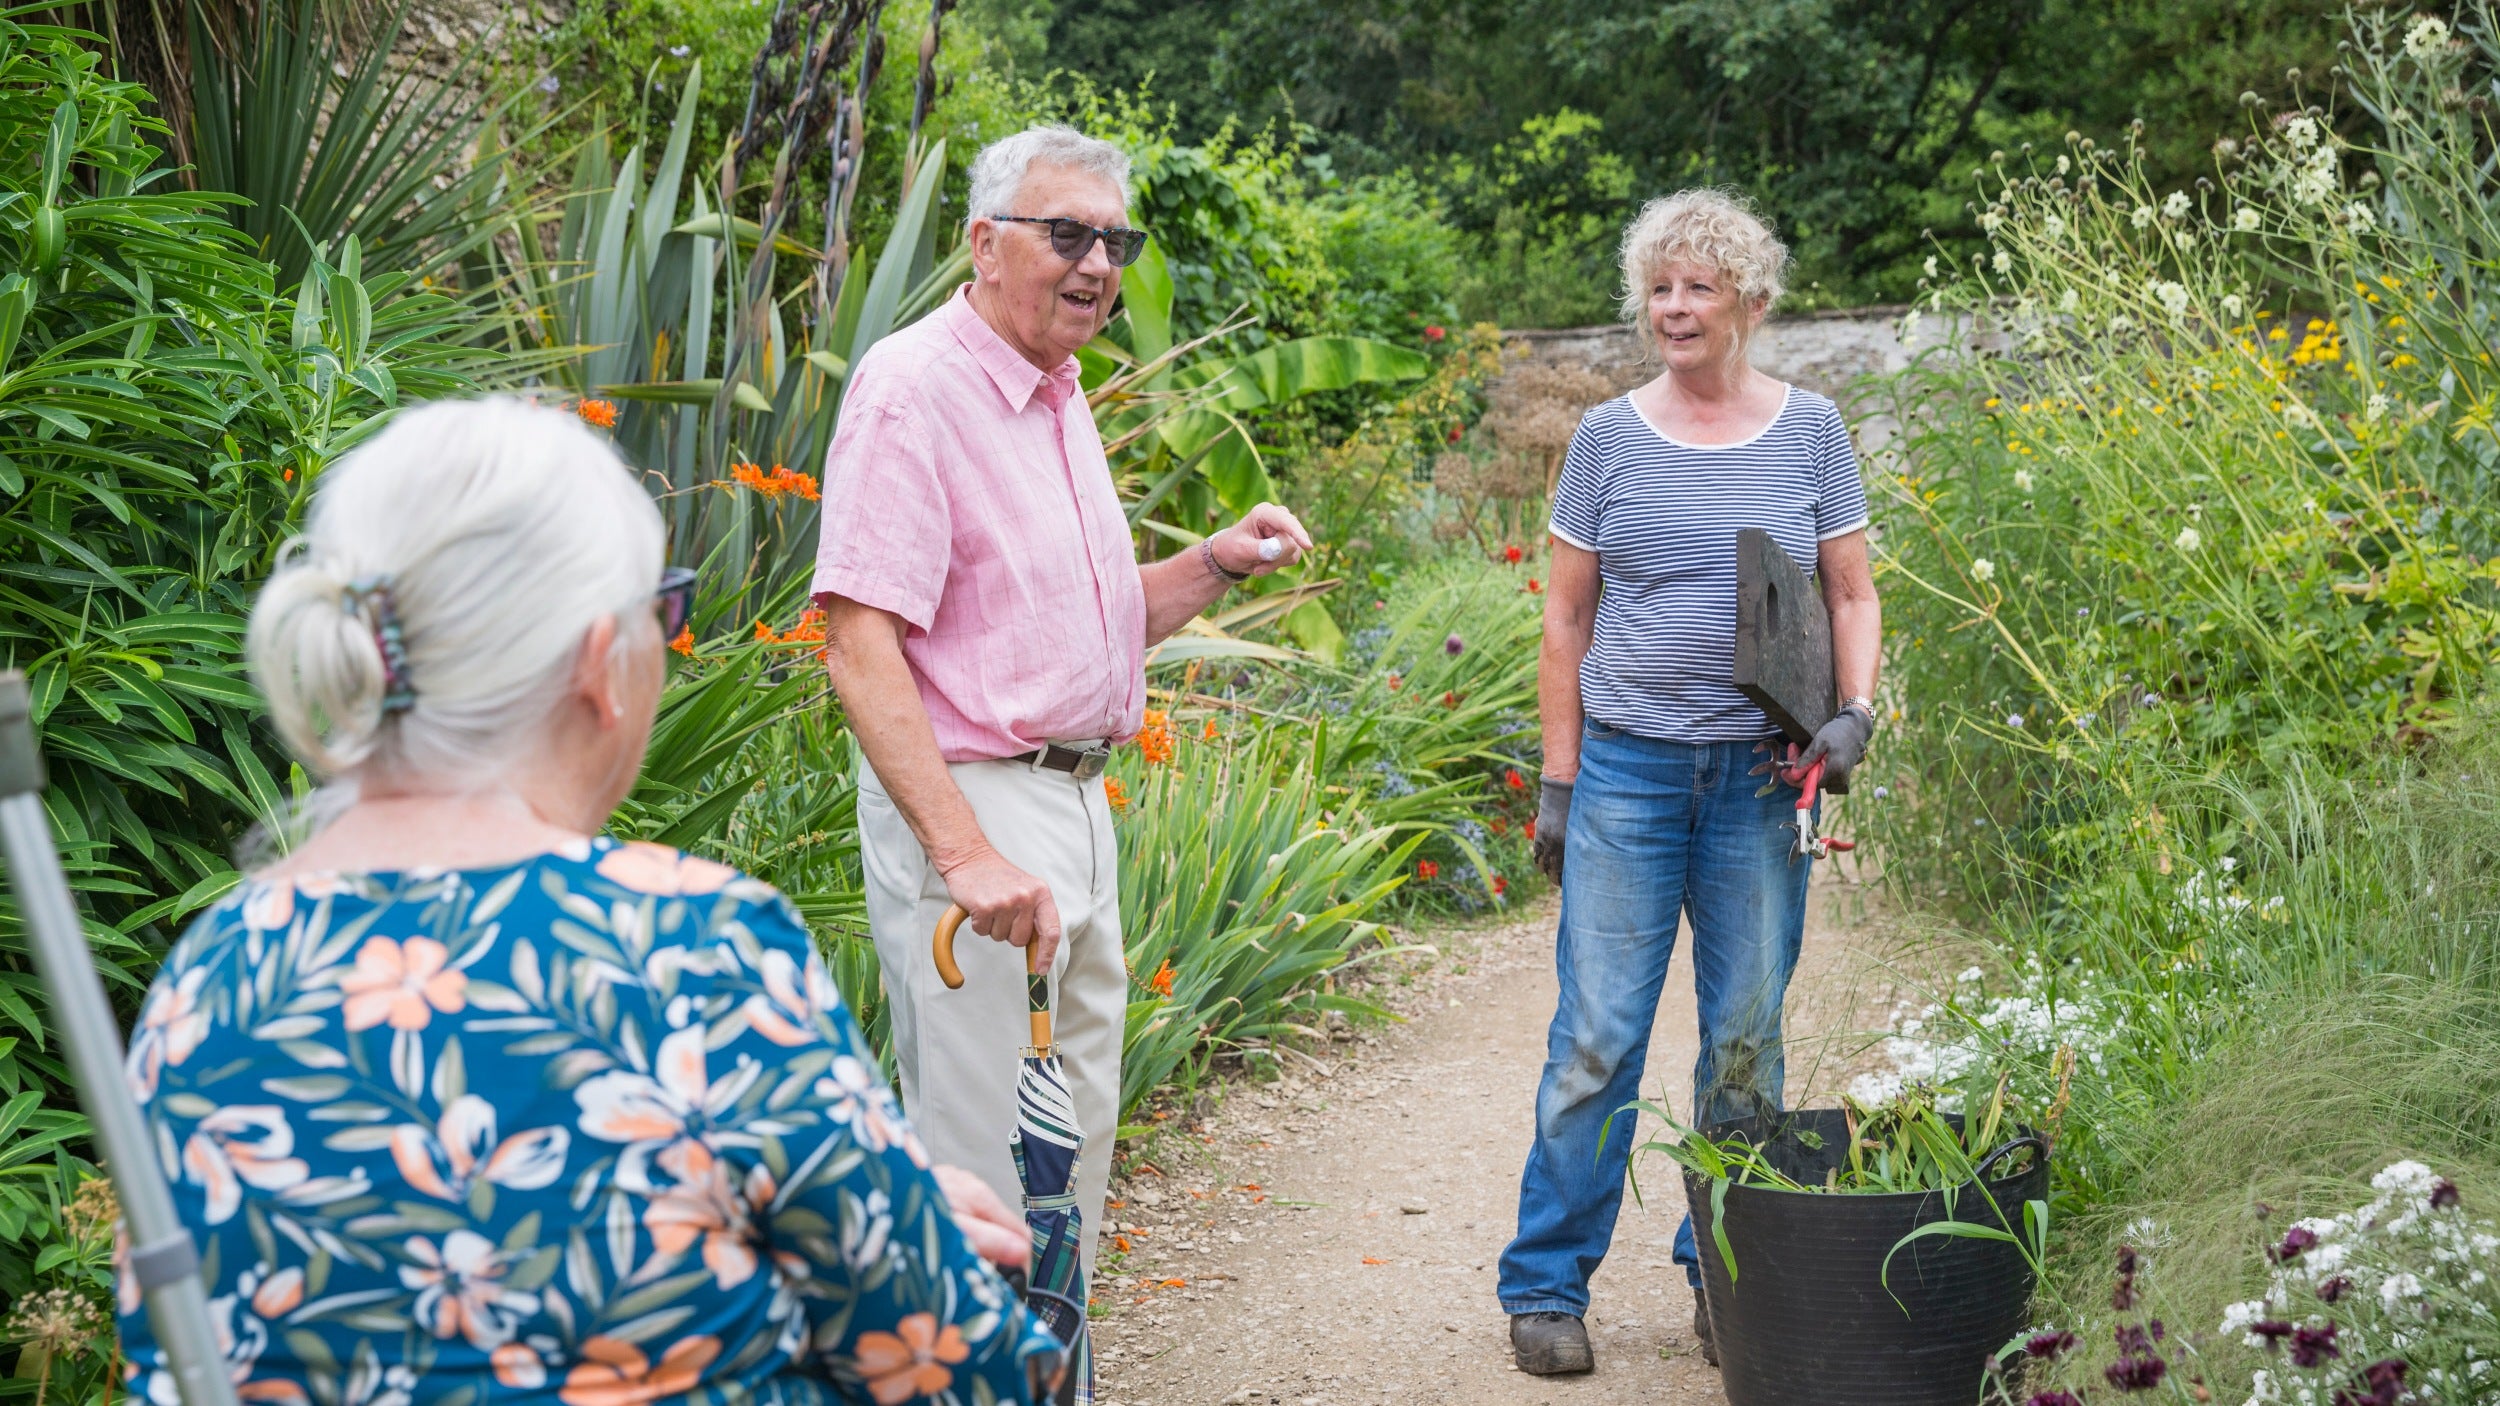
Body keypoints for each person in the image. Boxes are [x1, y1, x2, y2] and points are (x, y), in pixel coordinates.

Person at [116, 399, 1067, 1406]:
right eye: (664, 608)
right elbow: (974, 1378)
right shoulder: (690, 950)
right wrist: (915, 1234)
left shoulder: (212, 969)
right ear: (596, 659)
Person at [812, 126, 1311, 1282]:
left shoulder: (1054, 391)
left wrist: (1215, 563)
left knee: (1067, 1149)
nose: (1097, 263)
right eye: (1067, 235)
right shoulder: (914, 388)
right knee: (989, 1166)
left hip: (1073, 807)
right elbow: (858, 638)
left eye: (1114, 239)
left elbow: (1073, 625)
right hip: (980, 812)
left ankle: (1053, 1367)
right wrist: (962, 851)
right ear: (983, 244)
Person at [1497, 189, 1882, 1376]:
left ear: (1749, 305)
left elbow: (1849, 593)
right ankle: (1546, 1285)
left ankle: (1725, 1277)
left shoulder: (1810, 429)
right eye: (1658, 287)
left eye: (1697, 287)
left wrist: (1854, 715)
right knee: (1597, 1037)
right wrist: (1560, 782)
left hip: (1762, 782)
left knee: (1745, 1042)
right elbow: (1564, 617)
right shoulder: (1609, 438)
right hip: (1626, 772)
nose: (1672, 307)